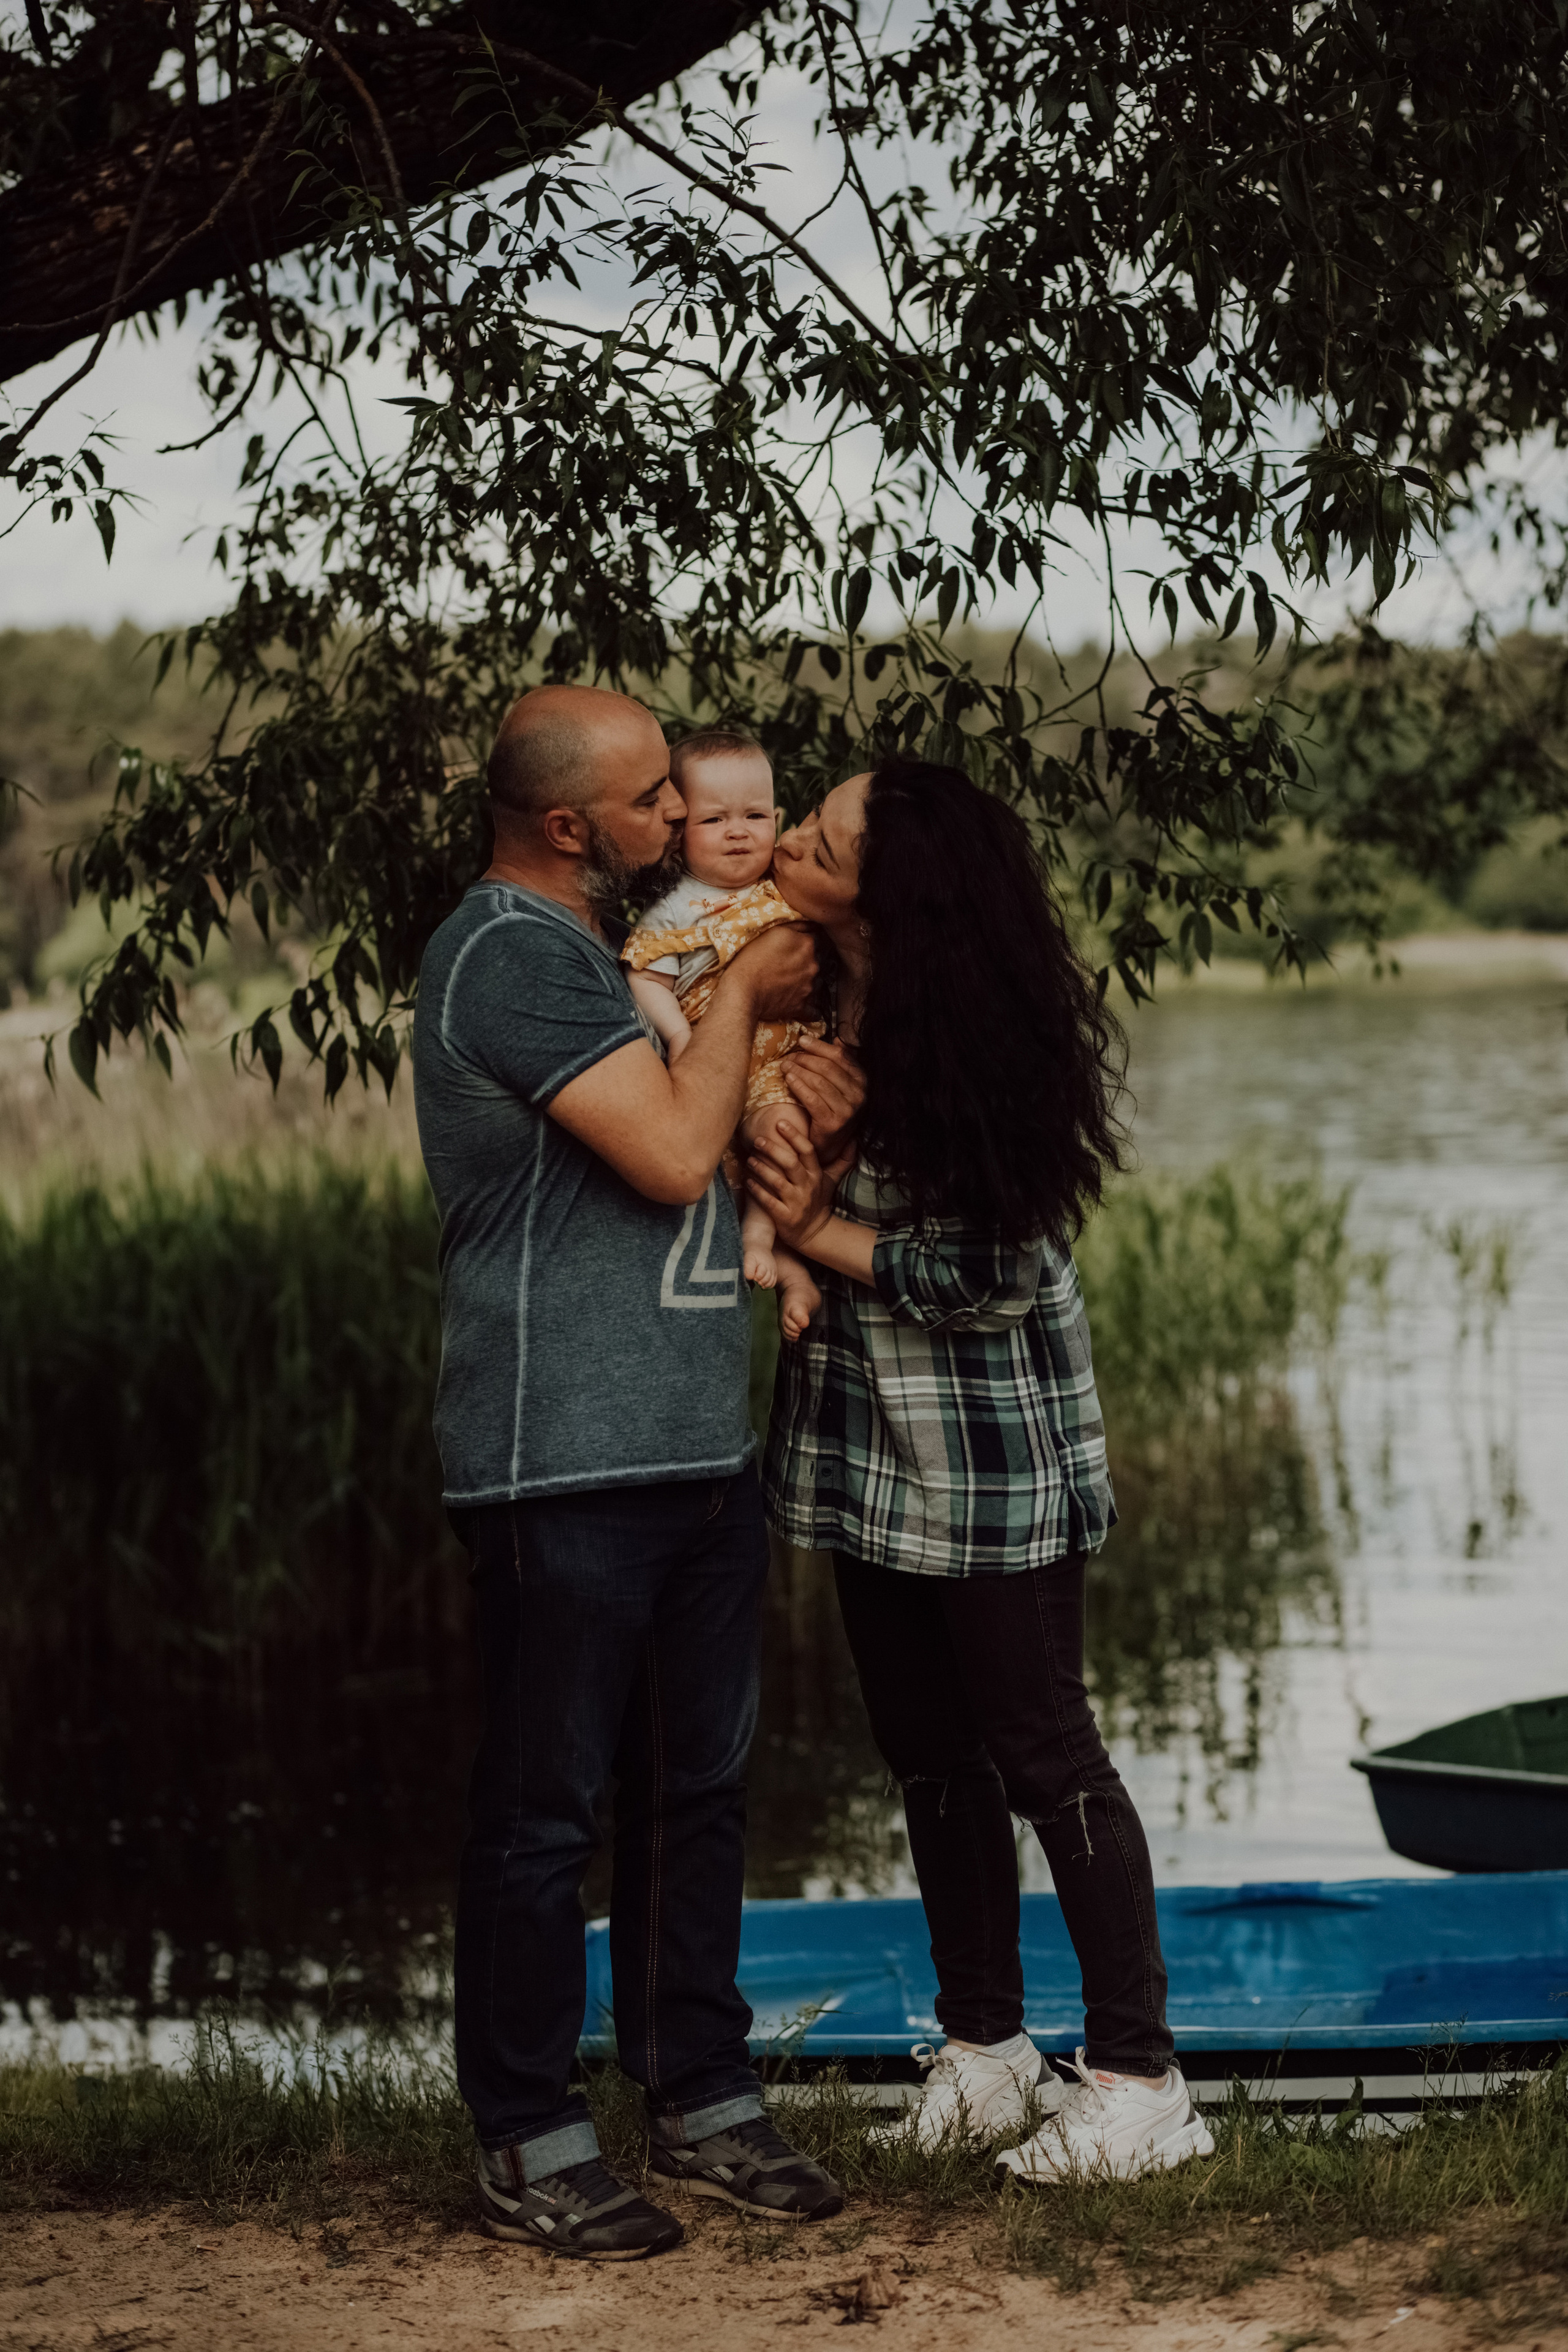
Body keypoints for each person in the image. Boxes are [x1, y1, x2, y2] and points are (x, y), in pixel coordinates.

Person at [410, 684, 860, 2259]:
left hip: (690, 1445)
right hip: (558, 1461)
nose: (684, 821)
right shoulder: (510, 955)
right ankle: (530, 2132)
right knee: (544, 1811)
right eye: (654, 800)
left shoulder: (610, 950)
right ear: (566, 824)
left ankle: (699, 2093)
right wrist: (751, 987)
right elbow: (672, 1151)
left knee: (699, 1790)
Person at [747, 756, 1215, 2184]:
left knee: (1044, 1755)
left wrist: (816, 1227)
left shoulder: (977, 1040)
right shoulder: (813, 993)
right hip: (863, 1446)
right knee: (927, 1754)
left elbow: (991, 1274)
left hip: (986, 1451)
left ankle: (1139, 2080)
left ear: (894, 890)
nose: (784, 843)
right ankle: (987, 2050)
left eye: (818, 839)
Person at [622, 728, 823, 1341]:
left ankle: (786, 1256)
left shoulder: (785, 891)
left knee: (785, 1140)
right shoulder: (677, 909)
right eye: (715, 820)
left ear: (778, 819)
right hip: (718, 1060)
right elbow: (645, 977)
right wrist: (681, 1037)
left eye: (756, 815)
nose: (739, 832)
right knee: (746, 1161)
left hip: (784, 1058)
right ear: (680, 833)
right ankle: (773, 1249)